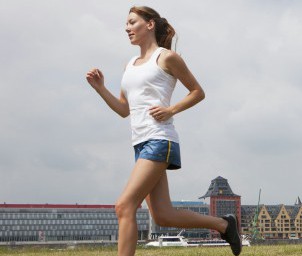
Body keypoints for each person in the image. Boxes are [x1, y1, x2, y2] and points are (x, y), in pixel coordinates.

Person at [85, 6, 241, 256]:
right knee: (163, 214)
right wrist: (100, 89)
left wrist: (171, 110)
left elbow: (198, 92)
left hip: (159, 139)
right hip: (140, 142)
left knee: (124, 206)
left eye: (132, 22)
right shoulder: (130, 65)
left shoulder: (166, 57)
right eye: (126, 24)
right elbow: (124, 109)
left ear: (149, 25)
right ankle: (224, 224)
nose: (127, 28)